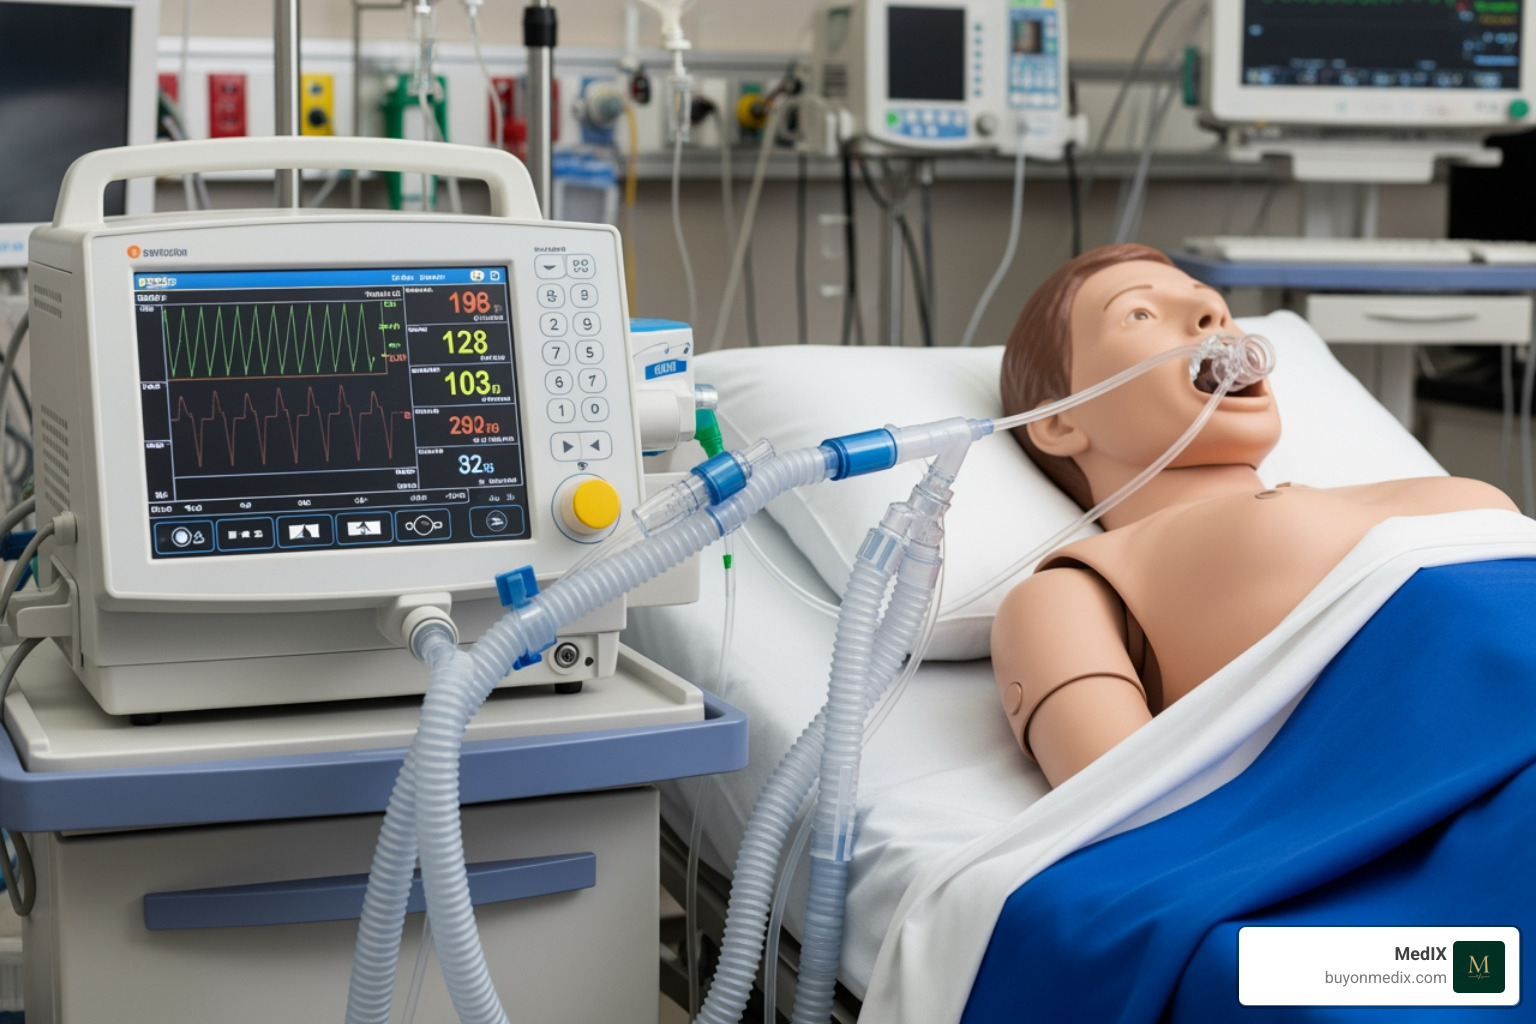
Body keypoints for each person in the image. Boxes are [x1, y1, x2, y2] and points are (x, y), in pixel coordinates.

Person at [990, 244, 1516, 787]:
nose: (1213, 319)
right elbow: (1125, 813)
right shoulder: (1070, 593)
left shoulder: (1388, 492)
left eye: (1214, 305)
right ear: (1059, 422)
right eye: (1139, 314)